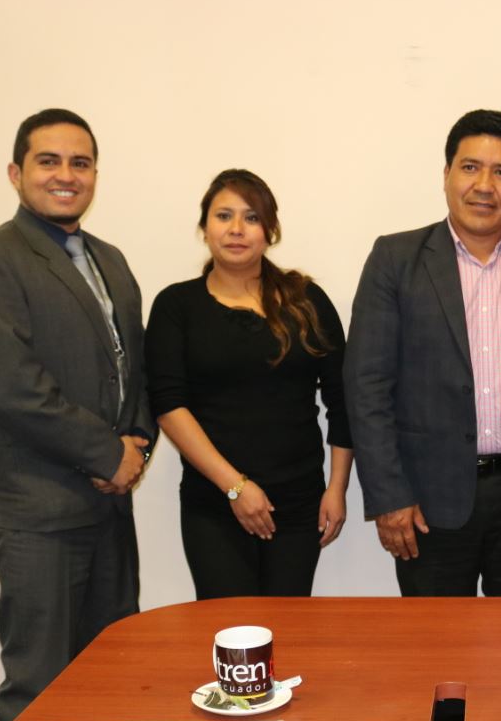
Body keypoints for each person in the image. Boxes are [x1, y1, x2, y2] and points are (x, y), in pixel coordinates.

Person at [0, 108, 156, 721]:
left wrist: (137, 445)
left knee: (114, 677)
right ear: (16, 173)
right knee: (38, 690)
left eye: (80, 163)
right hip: (40, 514)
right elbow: (11, 388)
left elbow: (135, 368)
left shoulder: (110, 260)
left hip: (109, 510)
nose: (66, 175)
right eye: (49, 161)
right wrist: (108, 455)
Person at [345, 109, 501, 597]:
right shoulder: (395, 259)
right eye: (470, 167)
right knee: (436, 639)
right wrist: (388, 495)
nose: (484, 185)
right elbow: (366, 385)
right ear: (447, 174)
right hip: (426, 501)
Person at [145, 169, 352, 598]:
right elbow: (168, 405)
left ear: (270, 230)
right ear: (204, 227)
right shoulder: (176, 306)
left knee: (289, 626)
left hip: (300, 504)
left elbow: (342, 399)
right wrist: (235, 487)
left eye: (252, 217)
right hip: (214, 505)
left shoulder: (306, 301)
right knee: (230, 627)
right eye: (224, 216)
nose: (237, 229)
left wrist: (337, 488)